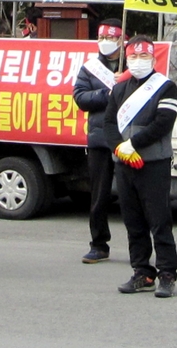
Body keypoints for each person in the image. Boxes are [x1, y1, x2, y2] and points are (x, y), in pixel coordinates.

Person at [103, 35, 177, 298]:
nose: (137, 62)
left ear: (152, 58)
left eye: (143, 56)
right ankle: (142, 271)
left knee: (159, 220)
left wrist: (133, 143)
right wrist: (119, 148)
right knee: (133, 221)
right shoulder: (120, 89)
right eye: (133, 57)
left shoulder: (166, 87)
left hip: (153, 162)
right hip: (124, 163)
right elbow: (110, 125)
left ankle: (167, 273)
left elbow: (163, 122)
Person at [73, 18, 126, 264]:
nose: (105, 43)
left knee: (133, 195)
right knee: (99, 195)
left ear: (121, 39)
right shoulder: (90, 68)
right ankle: (98, 244)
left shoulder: (133, 65)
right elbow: (81, 97)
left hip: (128, 139)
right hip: (100, 139)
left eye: (111, 38)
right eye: (102, 38)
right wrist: (106, 93)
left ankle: (140, 246)